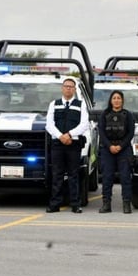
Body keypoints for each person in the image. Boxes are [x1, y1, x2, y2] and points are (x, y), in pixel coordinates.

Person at [45, 78, 89, 213]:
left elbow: (84, 124)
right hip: (58, 144)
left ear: (75, 89)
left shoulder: (81, 105)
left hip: (73, 144)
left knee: (73, 174)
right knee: (57, 174)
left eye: (71, 87)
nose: (68, 89)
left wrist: (69, 135)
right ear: (62, 88)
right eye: (66, 86)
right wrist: (60, 136)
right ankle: (55, 204)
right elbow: (49, 124)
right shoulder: (54, 104)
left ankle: (75, 204)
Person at [98, 90, 135, 214]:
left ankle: (126, 204)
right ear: (111, 100)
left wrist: (120, 146)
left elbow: (131, 133)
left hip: (124, 150)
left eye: (119, 98)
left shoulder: (128, 115)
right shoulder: (104, 114)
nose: (116, 100)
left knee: (125, 177)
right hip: (107, 149)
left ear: (122, 100)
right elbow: (101, 133)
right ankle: (106, 204)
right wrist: (110, 146)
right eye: (114, 98)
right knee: (107, 177)